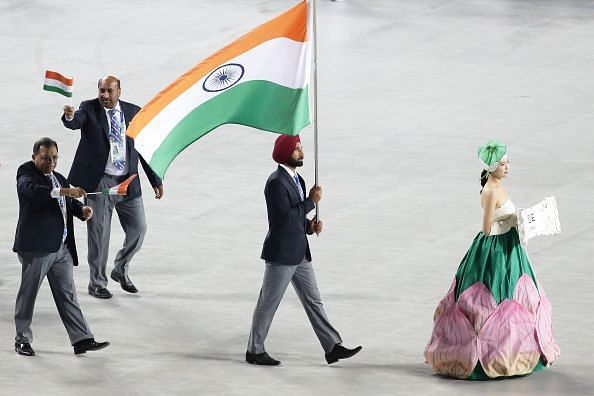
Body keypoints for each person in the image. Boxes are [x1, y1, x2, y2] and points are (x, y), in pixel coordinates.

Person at [424, 140, 560, 379]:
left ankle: (514, 348)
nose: (507, 168)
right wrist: (512, 221)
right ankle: (489, 353)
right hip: (496, 248)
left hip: (509, 245)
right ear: (491, 166)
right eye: (503, 164)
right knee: (497, 294)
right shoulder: (490, 191)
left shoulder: (498, 186)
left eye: (508, 163)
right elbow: (487, 228)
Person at [246, 134, 362, 366]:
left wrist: (309, 226)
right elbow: (284, 219)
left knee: (313, 300)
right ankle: (254, 350)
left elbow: (296, 218)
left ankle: (332, 347)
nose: (301, 152)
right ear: (284, 153)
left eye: (300, 147)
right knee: (268, 302)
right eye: (296, 149)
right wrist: (310, 201)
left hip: (299, 252)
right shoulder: (276, 182)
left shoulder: (298, 179)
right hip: (282, 254)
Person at [62, 75, 164, 299]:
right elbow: (74, 121)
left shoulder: (134, 112)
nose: (105, 95)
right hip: (101, 183)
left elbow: (144, 148)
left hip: (128, 182)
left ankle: (120, 268)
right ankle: (97, 283)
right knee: (99, 236)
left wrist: (155, 179)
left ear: (119, 92)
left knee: (139, 229)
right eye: (102, 91)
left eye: (109, 91)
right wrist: (69, 117)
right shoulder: (88, 108)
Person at [13, 137, 110, 356]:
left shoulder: (59, 178)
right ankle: (22, 340)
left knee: (68, 295)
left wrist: (81, 211)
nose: (51, 162)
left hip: (62, 249)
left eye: (55, 157)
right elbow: (33, 191)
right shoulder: (26, 173)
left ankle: (82, 339)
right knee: (28, 295)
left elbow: (69, 203)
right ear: (34, 157)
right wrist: (66, 192)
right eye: (45, 158)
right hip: (37, 247)